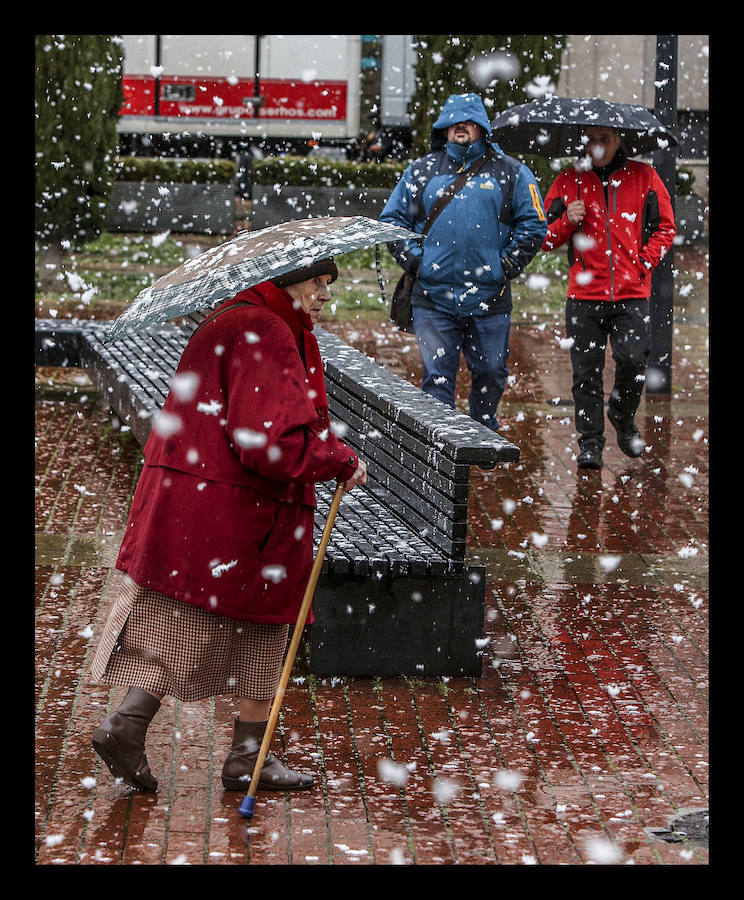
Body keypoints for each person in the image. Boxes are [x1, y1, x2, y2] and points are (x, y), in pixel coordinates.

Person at [89, 259, 367, 794]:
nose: (325, 294)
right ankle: (245, 756)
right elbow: (270, 442)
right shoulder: (264, 328)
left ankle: (136, 728)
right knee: (261, 629)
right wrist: (336, 459)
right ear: (289, 280)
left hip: (200, 501)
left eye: (329, 284)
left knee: (185, 622)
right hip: (239, 510)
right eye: (319, 282)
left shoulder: (239, 317)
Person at [379, 92, 547, 430]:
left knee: (491, 373)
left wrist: (504, 267)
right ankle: (441, 448)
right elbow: (392, 222)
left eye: (470, 122)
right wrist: (417, 263)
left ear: (482, 128)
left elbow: (534, 225)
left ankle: (483, 430)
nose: (462, 128)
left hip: (490, 299)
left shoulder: (512, 173)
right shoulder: (421, 171)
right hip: (432, 299)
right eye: (455, 122)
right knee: (436, 380)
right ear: (443, 128)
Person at [542, 126, 676, 469]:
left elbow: (665, 227)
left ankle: (622, 413)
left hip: (631, 295)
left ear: (619, 142)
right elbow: (543, 235)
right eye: (592, 139)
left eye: (606, 139)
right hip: (584, 295)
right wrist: (566, 222)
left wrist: (643, 263)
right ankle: (590, 443)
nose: (598, 146)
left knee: (634, 362)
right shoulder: (568, 181)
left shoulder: (644, 176)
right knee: (585, 374)